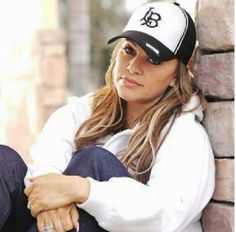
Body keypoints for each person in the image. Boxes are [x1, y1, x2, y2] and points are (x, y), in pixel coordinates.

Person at [0, 2, 215, 232]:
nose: (133, 66)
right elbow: (48, 155)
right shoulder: (86, 109)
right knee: (4, 161)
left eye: (152, 59)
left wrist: (82, 190)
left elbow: (163, 214)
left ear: (178, 72)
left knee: (94, 162)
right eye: (129, 50)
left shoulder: (186, 136)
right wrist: (52, 200)